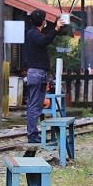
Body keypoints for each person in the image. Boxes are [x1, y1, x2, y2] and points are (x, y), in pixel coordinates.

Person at [24, 10, 62, 143]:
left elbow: (45, 38)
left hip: (39, 74)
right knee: (34, 105)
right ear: (42, 21)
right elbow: (44, 41)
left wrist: (56, 28)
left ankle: (34, 134)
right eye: (45, 19)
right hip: (36, 73)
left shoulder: (34, 33)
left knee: (37, 105)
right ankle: (32, 135)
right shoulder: (33, 34)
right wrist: (55, 29)